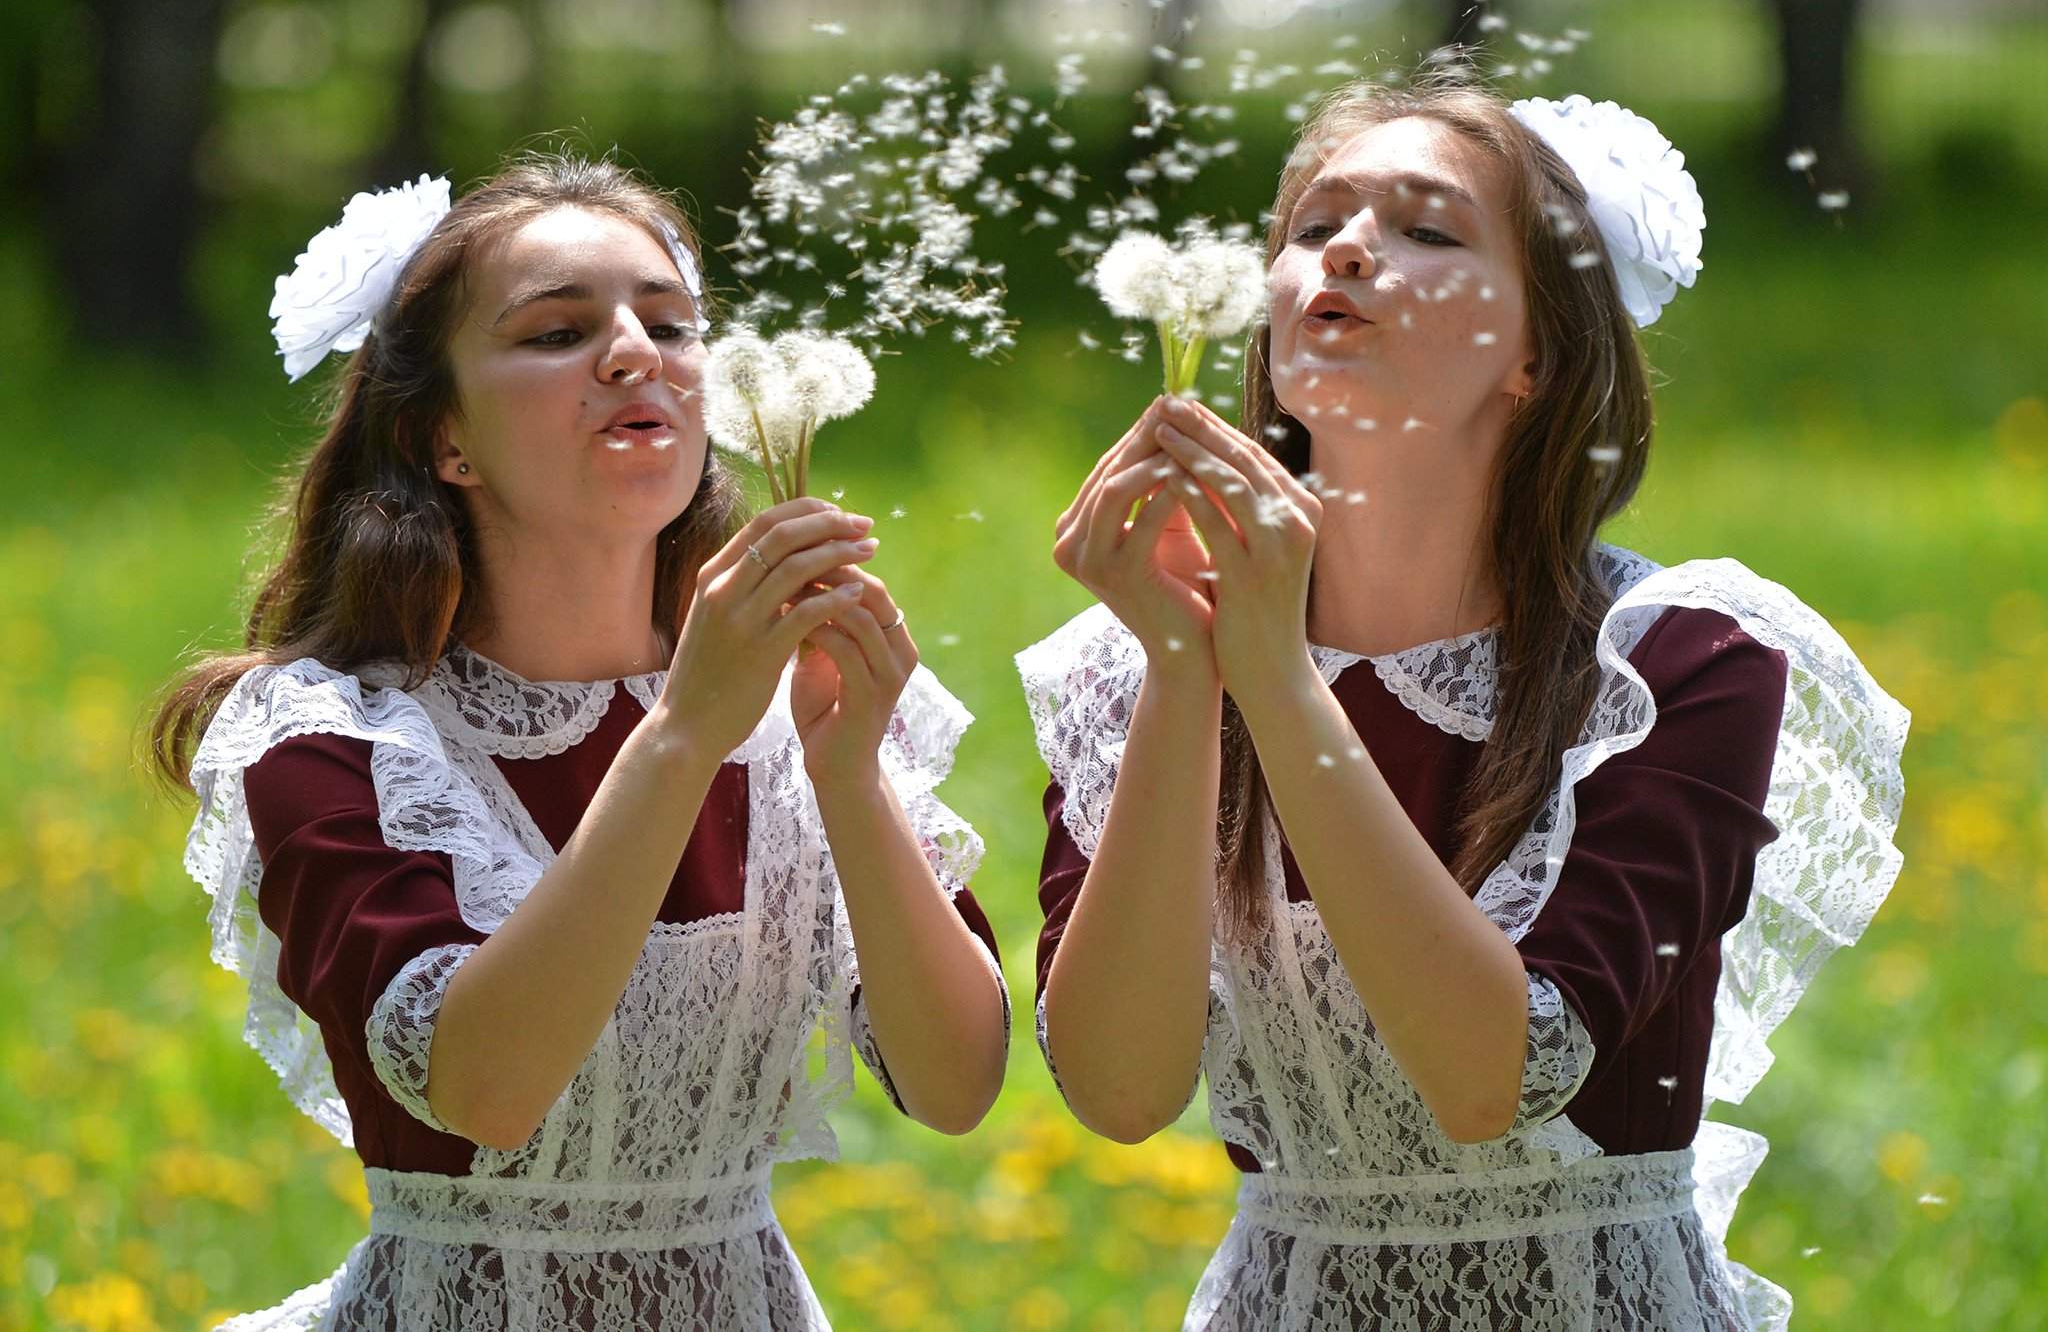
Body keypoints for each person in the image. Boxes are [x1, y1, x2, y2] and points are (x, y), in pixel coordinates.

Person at [1019, 75, 1907, 1330]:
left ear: (1538, 352)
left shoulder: (1677, 663)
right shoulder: (1130, 666)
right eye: (1311, 223)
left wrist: (1270, 675)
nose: (1343, 248)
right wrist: (1183, 673)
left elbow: (1494, 1074)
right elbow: (1117, 1091)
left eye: (1425, 229)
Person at [153, 153, 1009, 1331]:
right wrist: (678, 738)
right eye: (557, 333)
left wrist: (847, 774)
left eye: (669, 323)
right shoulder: (336, 739)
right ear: (442, 435)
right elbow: (488, 1088)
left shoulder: (790, 716)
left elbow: (955, 1085)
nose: (632, 352)